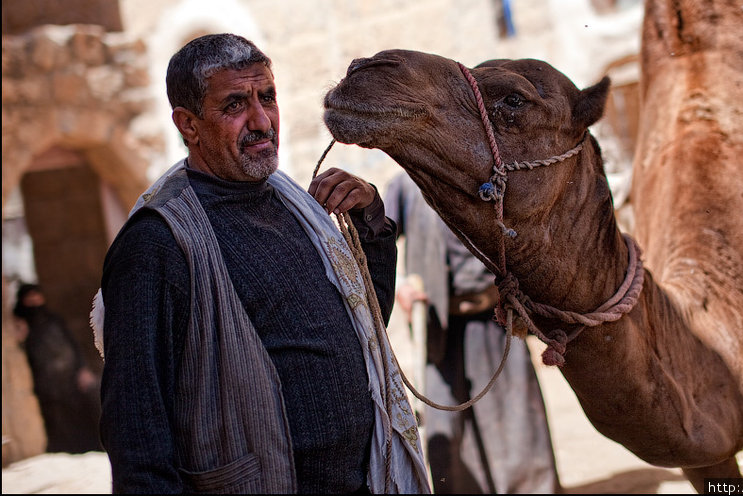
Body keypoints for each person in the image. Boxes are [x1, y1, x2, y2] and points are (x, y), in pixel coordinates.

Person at [96, 33, 430, 494]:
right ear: (188, 124)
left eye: (267, 97)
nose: (261, 120)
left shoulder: (297, 207)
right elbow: (137, 429)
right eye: (235, 105)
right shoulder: (157, 243)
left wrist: (369, 220)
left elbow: (368, 332)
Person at [384, 172, 560, 494]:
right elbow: (379, 241)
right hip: (440, 328)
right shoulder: (406, 184)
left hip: (497, 321)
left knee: (515, 421)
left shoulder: (491, 174)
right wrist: (400, 287)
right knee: (446, 432)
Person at [13, 282, 102, 454]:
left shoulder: (53, 319)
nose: (34, 301)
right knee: (58, 422)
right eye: (29, 298)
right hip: (47, 386)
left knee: (79, 416)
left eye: (36, 296)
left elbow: (73, 345)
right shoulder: (22, 325)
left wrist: (82, 369)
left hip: (70, 379)